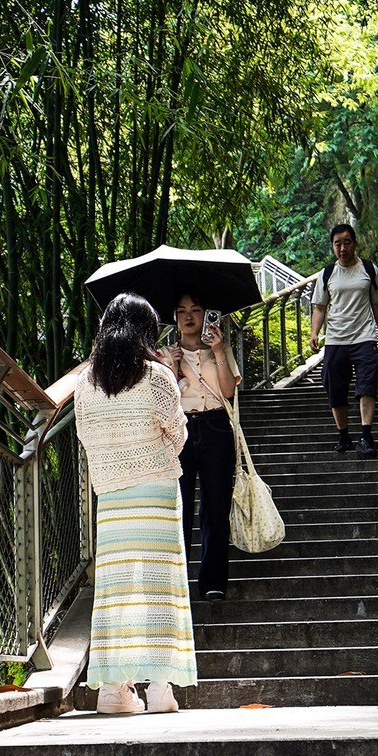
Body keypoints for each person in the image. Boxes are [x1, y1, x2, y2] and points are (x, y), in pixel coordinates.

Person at [74, 292, 197, 714]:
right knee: (159, 585)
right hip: (157, 493)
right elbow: (179, 436)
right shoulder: (157, 376)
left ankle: (112, 690)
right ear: (145, 333)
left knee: (117, 588)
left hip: (111, 497)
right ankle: (160, 690)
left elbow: (85, 436)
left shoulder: (85, 383)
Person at [166, 293, 241, 600]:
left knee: (215, 506)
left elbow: (227, 390)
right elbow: (163, 402)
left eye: (196, 310)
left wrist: (219, 350)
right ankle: (178, 582)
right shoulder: (164, 354)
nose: (189, 316)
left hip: (216, 426)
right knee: (178, 507)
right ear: (174, 316)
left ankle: (213, 582)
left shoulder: (218, 349)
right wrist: (171, 367)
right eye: (182, 310)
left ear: (205, 313)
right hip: (180, 430)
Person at [309, 223, 378, 456]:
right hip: (335, 340)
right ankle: (343, 436)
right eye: (337, 243)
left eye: (347, 242)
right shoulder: (327, 274)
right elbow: (320, 307)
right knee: (335, 389)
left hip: (364, 338)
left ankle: (366, 436)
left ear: (354, 243)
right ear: (333, 246)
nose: (342, 248)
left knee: (367, 387)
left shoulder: (368, 269)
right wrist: (314, 333)